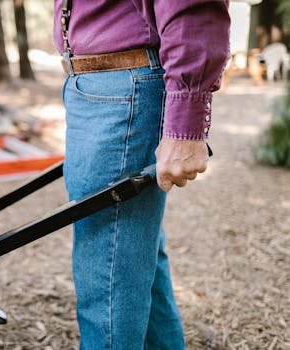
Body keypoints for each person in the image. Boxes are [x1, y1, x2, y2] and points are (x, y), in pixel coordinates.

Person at [54, 1, 230, 349]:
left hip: (123, 84)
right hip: (100, 86)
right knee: (128, 251)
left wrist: (186, 124)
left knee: (107, 269)